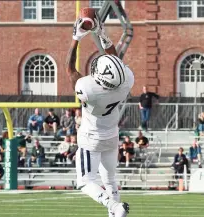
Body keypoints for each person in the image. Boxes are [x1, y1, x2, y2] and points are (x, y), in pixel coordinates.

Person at [66, 15, 134, 217]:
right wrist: (101, 34)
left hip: (91, 139)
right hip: (111, 136)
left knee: (86, 181)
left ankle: (112, 207)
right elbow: (116, 63)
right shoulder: (125, 82)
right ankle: (116, 211)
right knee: (110, 179)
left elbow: (70, 69)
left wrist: (76, 37)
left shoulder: (90, 90)